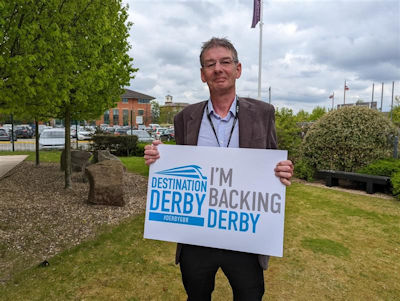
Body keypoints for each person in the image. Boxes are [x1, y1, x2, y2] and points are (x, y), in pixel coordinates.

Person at [144, 37, 294, 301]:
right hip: (197, 233)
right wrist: (158, 157)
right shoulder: (185, 118)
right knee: (197, 295)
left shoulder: (263, 113)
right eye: (210, 64)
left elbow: (272, 160)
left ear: (238, 69)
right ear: (203, 75)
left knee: (250, 296)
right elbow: (180, 163)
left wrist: (282, 170)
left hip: (245, 232)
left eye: (225, 62)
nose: (218, 69)